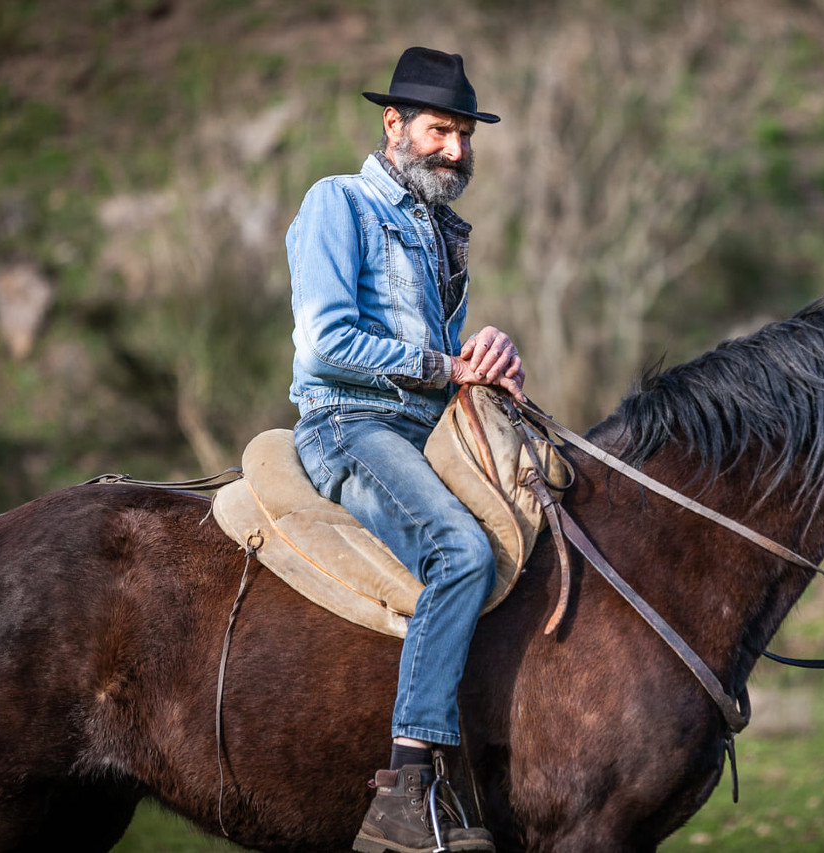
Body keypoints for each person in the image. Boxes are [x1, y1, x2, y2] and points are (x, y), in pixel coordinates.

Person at [287, 46, 522, 853]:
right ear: (393, 125)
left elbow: (443, 357)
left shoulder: (438, 228)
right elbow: (324, 342)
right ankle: (405, 790)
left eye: (464, 134)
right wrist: (443, 366)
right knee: (460, 552)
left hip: (425, 426)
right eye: (438, 130)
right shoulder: (338, 204)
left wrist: (486, 358)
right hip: (348, 426)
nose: (455, 149)